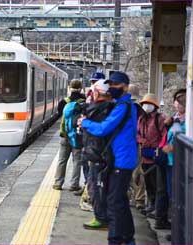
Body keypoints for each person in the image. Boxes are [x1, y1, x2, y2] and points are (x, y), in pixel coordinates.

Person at [79, 71, 137, 245]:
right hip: (121, 159)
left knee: (114, 203)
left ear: (125, 87)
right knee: (120, 202)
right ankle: (127, 239)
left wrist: (85, 123)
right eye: (110, 85)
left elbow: (104, 128)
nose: (112, 88)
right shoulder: (122, 105)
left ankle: (116, 240)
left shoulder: (123, 107)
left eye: (116, 85)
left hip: (122, 160)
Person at [82, 79, 114, 230]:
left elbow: (99, 131)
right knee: (99, 187)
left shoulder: (100, 109)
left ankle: (101, 219)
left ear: (97, 92)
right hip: (100, 153)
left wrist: (83, 122)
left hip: (98, 154)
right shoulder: (109, 108)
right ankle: (103, 216)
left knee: (96, 188)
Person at [157, 89, 186, 235]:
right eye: (177, 101)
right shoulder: (175, 118)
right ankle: (176, 229)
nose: (177, 104)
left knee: (179, 196)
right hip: (169, 162)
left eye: (180, 101)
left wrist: (173, 147)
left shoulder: (189, 120)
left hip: (181, 163)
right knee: (171, 195)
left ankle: (179, 231)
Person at [53, 79, 85, 194]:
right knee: (77, 161)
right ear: (80, 88)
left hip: (65, 135)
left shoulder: (64, 102)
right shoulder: (84, 102)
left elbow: (60, 115)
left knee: (62, 160)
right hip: (77, 135)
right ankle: (74, 185)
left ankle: (58, 183)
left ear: (70, 88)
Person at [137, 94, 166, 217]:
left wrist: (159, 148)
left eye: (149, 103)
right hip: (145, 155)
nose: (146, 106)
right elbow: (136, 134)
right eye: (144, 103)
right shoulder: (141, 119)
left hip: (155, 155)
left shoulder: (159, 118)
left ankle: (155, 206)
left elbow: (164, 135)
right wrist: (144, 141)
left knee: (156, 183)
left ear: (155, 106)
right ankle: (151, 204)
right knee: (148, 181)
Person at [128, 84, 146, 212]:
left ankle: (130, 197)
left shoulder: (123, 109)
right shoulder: (142, 111)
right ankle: (139, 199)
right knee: (139, 172)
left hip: (128, 145)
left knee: (128, 171)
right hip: (139, 144)